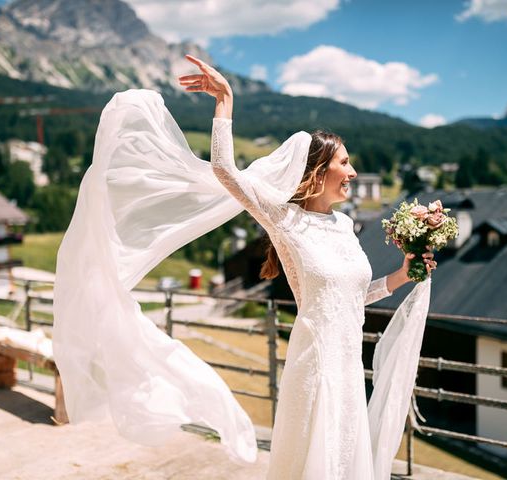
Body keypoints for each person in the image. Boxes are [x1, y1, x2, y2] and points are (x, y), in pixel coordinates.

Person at [179, 55, 436, 479]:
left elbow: (353, 296)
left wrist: (403, 274)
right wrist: (225, 101)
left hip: (348, 364)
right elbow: (225, 171)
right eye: (344, 163)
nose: (352, 172)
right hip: (314, 364)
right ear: (317, 171)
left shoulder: (345, 224)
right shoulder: (284, 220)